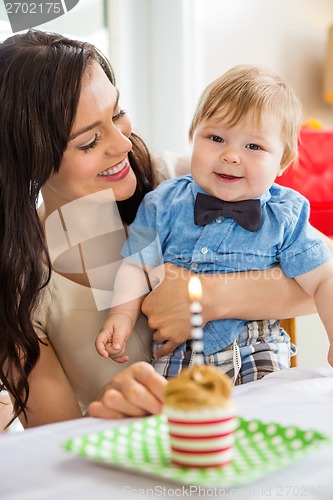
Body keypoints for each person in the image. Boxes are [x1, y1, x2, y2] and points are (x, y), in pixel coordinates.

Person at [0, 31, 332, 430]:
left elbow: (321, 274)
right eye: (90, 141)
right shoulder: (17, 288)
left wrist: (211, 297)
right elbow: (56, 441)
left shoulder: (183, 181)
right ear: (30, 158)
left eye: (118, 113)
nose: (123, 143)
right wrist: (115, 412)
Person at [96, 65, 333, 383]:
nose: (231, 156)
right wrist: (121, 314)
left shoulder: (285, 215)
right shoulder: (163, 201)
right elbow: (136, 264)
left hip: (254, 353)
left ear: (282, 162)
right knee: (167, 421)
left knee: (268, 416)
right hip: (178, 357)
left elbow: (323, 279)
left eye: (253, 146)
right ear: (193, 137)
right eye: (216, 138)